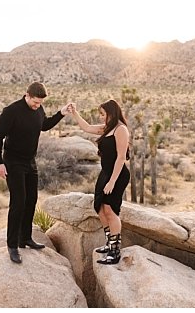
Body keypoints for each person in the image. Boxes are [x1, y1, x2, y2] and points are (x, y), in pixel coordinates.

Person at [0, 82, 71, 264]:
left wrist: (61, 113)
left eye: (39, 104)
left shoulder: (39, 109)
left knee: (31, 200)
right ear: (26, 95)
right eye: (35, 102)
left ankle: (25, 238)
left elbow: (44, 125)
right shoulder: (11, 111)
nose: (37, 106)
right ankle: (12, 245)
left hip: (30, 161)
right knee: (18, 202)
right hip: (13, 161)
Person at [67, 99, 131, 265]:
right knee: (100, 208)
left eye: (103, 114)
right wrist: (75, 113)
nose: (102, 117)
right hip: (105, 173)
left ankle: (115, 250)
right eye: (100, 115)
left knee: (111, 210)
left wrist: (112, 181)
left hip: (117, 174)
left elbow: (121, 158)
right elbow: (86, 127)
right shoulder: (107, 128)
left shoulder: (120, 129)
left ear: (112, 112)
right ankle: (109, 243)